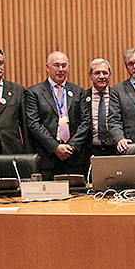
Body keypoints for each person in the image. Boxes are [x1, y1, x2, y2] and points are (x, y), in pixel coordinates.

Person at [25, 52, 91, 180]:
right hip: (48, 157)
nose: (61, 69)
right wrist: (55, 147)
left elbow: (85, 122)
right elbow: (34, 124)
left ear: (68, 68)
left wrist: (71, 147)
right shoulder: (34, 93)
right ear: (48, 67)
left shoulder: (78, 92)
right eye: (56, 65)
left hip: (74, 158)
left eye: (64, 66)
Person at [85, 58, 116, 156]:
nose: (102, 76)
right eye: (97, 73)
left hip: (114, 148)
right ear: (90, 76)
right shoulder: (83, 96)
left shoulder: (117, 95)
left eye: (105, 73)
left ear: (110, 75)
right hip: (90, 149)